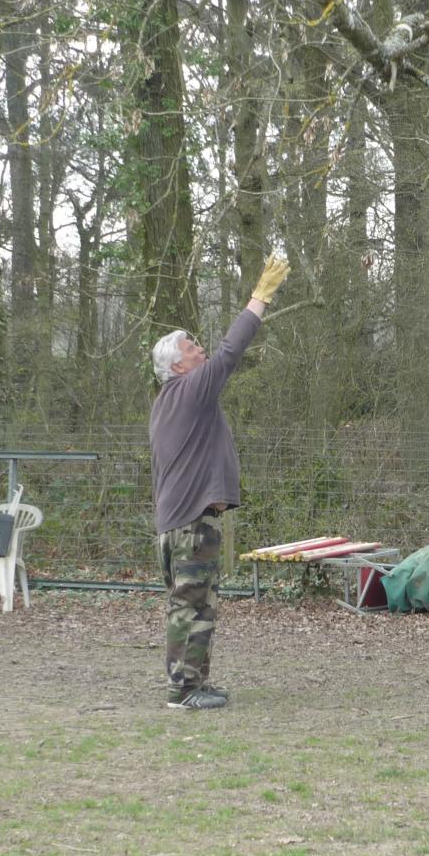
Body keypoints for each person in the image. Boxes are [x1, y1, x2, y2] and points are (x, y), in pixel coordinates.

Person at [149, 253, 290, 709]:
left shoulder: (170, 402)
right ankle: (181, 690)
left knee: (202, 604)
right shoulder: (189, 391)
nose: (201, 350)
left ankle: (196, 683)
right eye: (192, 349)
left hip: (182, 523)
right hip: (190, 524)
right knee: (190, 605)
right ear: (178, 367)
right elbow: (232, 351)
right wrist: (260, 297)